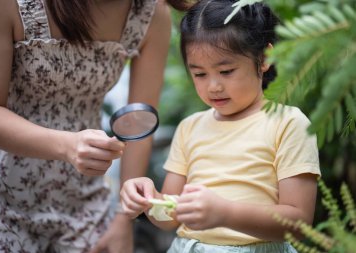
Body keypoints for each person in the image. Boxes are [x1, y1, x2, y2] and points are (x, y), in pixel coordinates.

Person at [120, 0, 322, 252]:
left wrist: (226, 214)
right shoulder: (190, 128)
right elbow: (171, 217)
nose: (213, 86)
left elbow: (298, 221)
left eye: (226, 71)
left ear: (264, 58)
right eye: (200, 74)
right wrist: (148, 200)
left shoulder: (288, 123)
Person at [0, 0, 176, 252]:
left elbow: (140, 122)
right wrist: (67, 145)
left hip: (84, 201)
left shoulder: (151, 13)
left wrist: (123, 218)